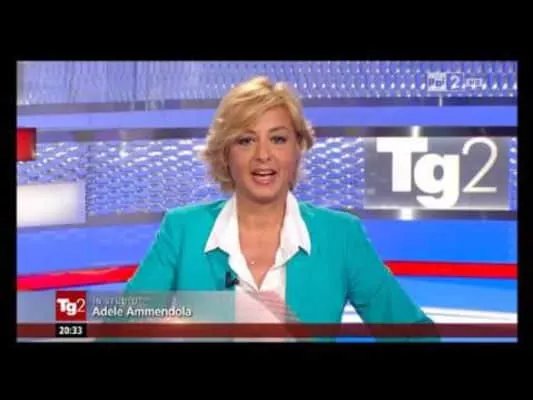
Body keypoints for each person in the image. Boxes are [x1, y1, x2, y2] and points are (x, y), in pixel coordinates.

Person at [125, 76, 439, 342]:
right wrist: (222, 313)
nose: (263, 155)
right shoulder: (183, 229)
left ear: (297, 149)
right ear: (225, 154)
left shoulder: (340, 236)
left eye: (278, 139)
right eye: (246, 140)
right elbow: (116, 325)